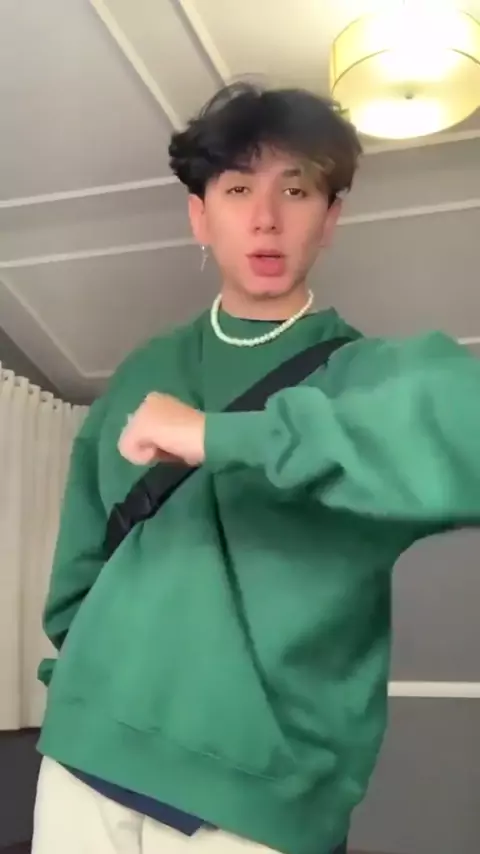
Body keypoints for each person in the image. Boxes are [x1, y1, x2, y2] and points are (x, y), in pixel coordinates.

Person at [32, 83, 480, 854]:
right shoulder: (142, 373)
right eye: (238, 189)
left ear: (330, 219)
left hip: (259, 801)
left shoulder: (367, 379)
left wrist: (221, 437)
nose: (267, 218)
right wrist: (90, 688)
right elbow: (77, 581)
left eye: (296, 191)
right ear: (200, 216)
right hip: (86, 757)